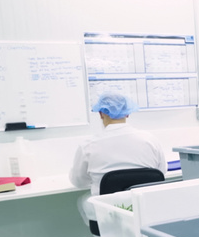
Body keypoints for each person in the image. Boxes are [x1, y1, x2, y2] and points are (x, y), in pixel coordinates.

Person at [69, 93, 165, 226]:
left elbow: (78, 182)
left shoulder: (88, 145)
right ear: (127, 114)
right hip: (145, 211)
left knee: (85, 201)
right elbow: (160, 174)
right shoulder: (150, 140)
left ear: (101, 114)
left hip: (108, 217)